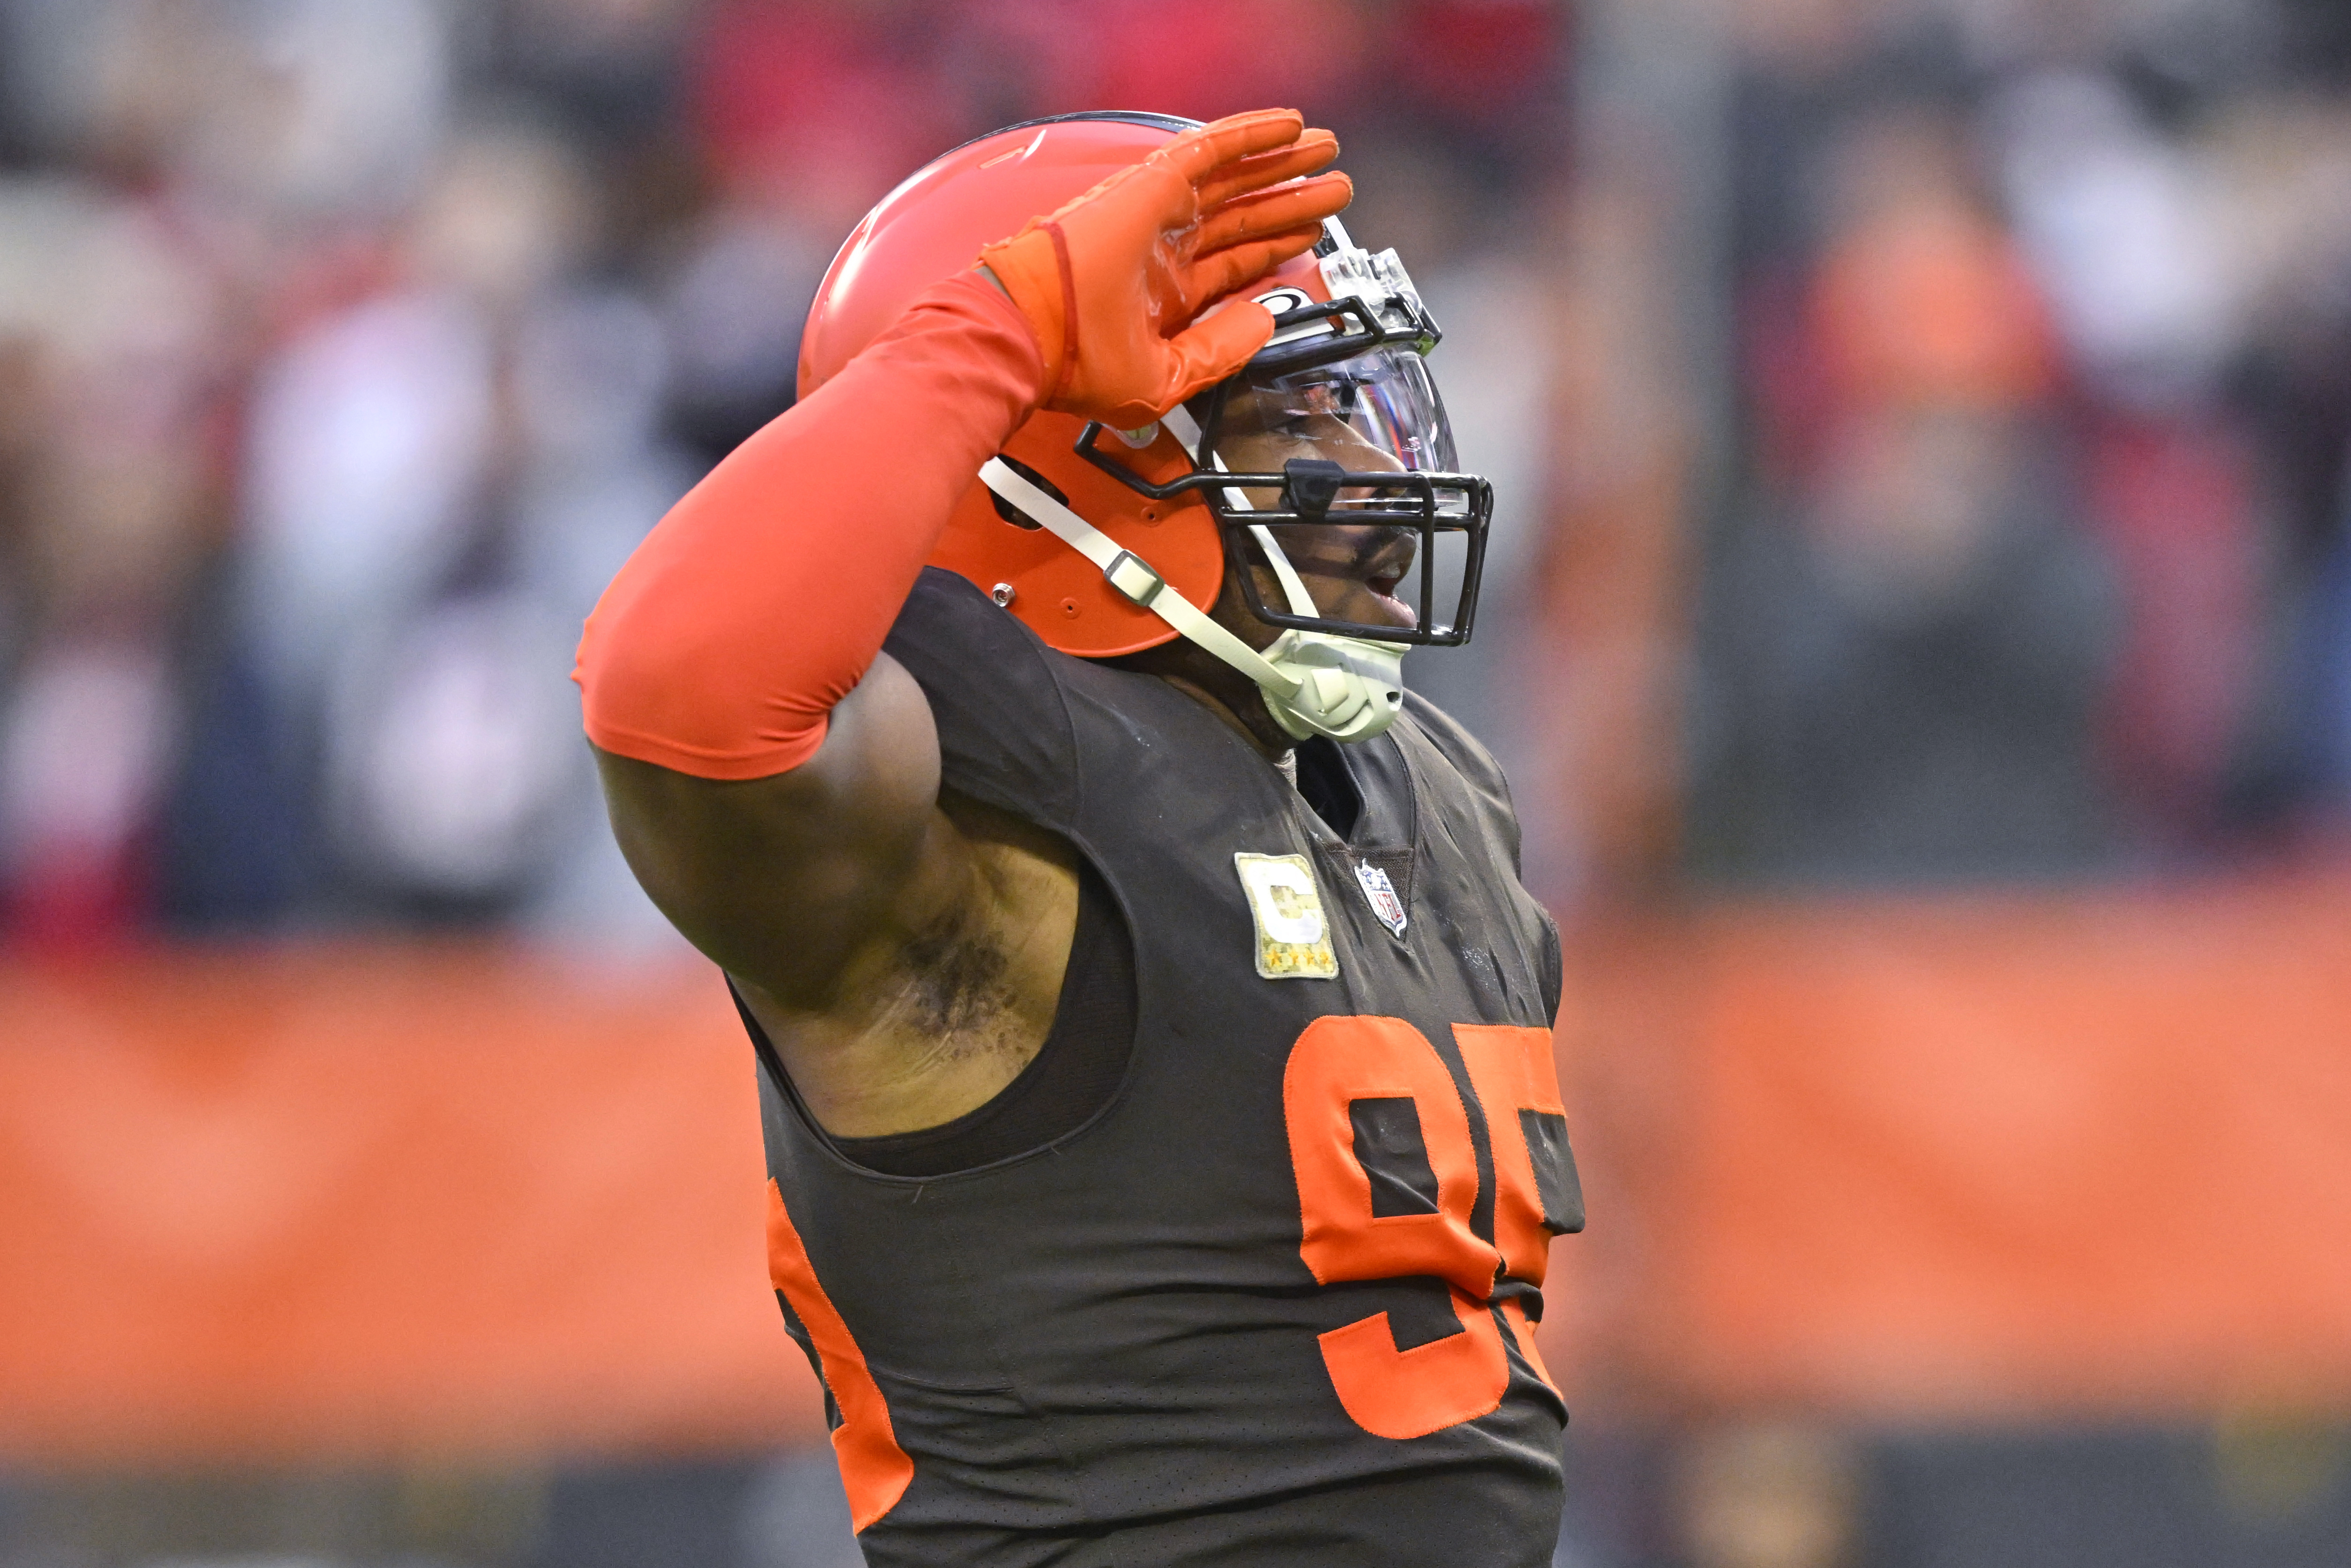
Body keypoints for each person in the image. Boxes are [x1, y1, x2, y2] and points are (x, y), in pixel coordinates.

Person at [576, 109, 1582, 1567]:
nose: (1363, 470)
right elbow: (669, 692)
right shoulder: (968, 807)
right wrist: (998, 326)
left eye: (1360, 401)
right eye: (1288, 416)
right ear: (1063, 464)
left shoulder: (1429, 786)